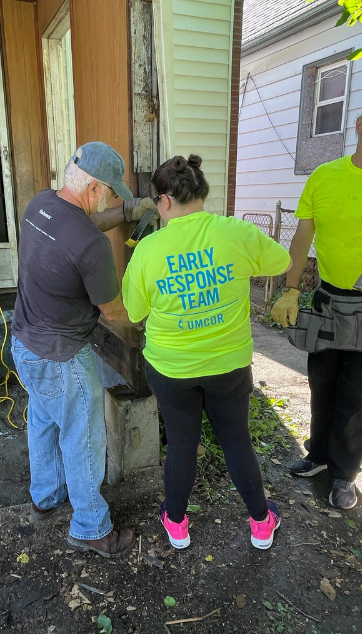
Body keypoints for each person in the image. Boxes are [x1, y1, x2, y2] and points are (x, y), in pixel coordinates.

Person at [122, 154, 291, 550]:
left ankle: (177, 524)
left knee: (182, 442)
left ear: (162, 202)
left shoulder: (149, 249)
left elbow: (134, 312)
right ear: (201, 192)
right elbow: (280, 260)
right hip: (228, 365)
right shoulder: (236, 233)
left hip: (171, 368)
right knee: (236, 440)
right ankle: (261, 523)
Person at [11, 141, 156, 558]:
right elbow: (114, 311)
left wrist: (127, 213)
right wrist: (152, 312)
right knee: (82, 436)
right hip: (61, 357)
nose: (110, 200)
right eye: (111, 194)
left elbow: (80, 225)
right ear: (93, 188)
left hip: (25, 343)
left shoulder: (39, 205)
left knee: (42, 419)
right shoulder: (91, 249)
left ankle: (45, 496)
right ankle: (92, 527)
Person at [272, 113, 362, 510]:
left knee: (355, 395)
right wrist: (291, 290)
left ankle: (345, 475)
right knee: (321, 384)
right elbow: (303, 235)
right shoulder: (324, 177)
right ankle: (318, 456)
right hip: (328, 300)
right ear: (359, 126)